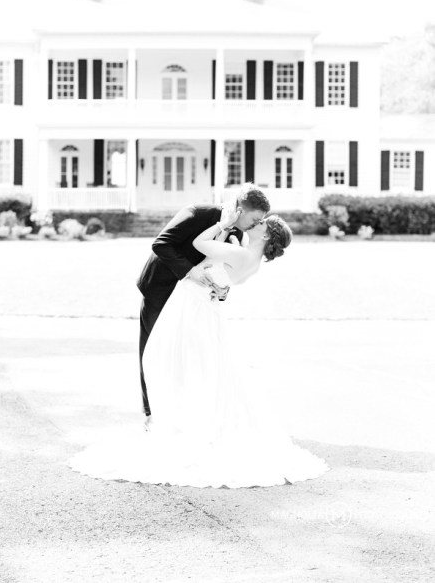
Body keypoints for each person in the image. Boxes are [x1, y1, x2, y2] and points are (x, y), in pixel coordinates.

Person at [67, 207, 331, 488]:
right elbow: (226, 277)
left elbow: (199, 244)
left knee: (173, 360)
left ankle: (179, 422)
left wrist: (222, 225)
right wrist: (227, 258)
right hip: (207, 310)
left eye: (262, 223)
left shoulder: (239, 252)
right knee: (205, 367)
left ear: (266, 235)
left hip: (193, 307)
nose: (257, 222)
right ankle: (190, 419)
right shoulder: (252, 260)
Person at [136, 183, 270, 423]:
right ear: (240, 210)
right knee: (153, 351)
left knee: (185, 355)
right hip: (162, 289)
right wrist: (190, 271)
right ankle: (150, 413)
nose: (255, 225)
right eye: (254, 219)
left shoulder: (239, 236)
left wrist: (222, 290)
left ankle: (179, 412)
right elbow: (161, 244)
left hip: (193, 304)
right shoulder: (198, 212)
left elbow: (225, 271)